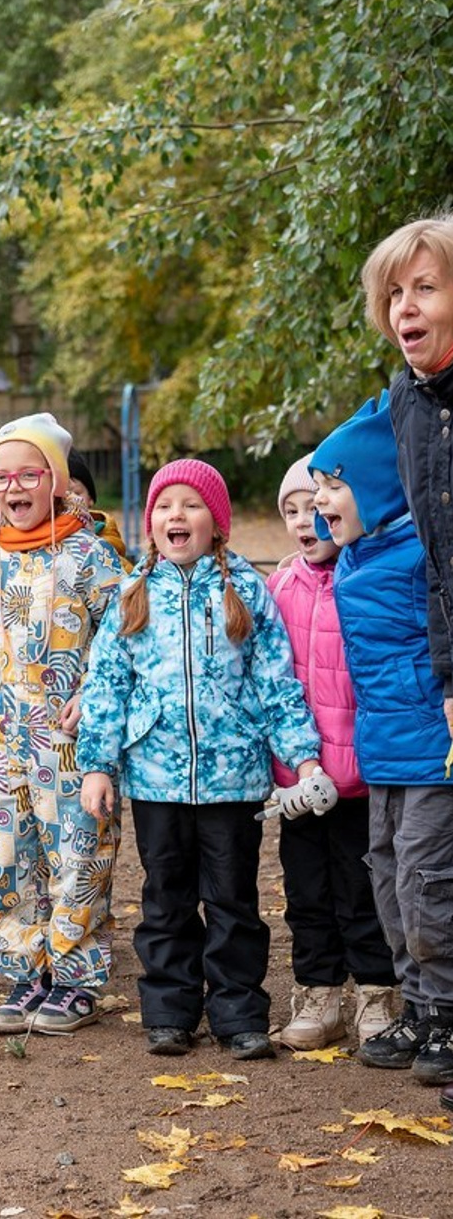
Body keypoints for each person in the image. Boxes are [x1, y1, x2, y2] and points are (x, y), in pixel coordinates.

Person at [78, 459, 326, 1060]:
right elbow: (108, 683)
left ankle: (239, 1013)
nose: (176, 516)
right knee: (165, 899)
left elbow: (276, 683)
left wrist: (304, 757)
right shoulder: (133, 593)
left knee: (234, 901)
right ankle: (170, 1010)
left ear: (217, 523)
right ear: (150, 522)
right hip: (157, 779)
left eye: (191, 506)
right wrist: (97, 763)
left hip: (234, 778)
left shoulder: (246, 590)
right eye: (165, 506)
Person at [0, 415, 125, 1035]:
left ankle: (76, 979)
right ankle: (27, 970)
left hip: (70, 745)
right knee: (7, 859)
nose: (13, 487)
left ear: (55, 480)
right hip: (2, 741)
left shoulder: (91, 556)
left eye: (28, 473)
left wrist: (97, 695)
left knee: (77, 856)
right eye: (1, 476)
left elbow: (120, 642)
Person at [309, 395, 453, 1086]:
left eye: (333, 486)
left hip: (434, 753)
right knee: (390, 880)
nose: (321, 502)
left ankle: (448, 1012)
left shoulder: (424, 556)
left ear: (378, 487)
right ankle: (421, 1007)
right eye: (316, 490)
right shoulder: (354, 559)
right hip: (384, 754)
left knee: (429, 884)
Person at [266, 455, 397, 1049]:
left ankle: (376, 994)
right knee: (307, 892)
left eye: (312, 507)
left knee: (364, 889)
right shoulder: (278, 588)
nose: (302, 520)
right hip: (301, 781)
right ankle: (318, 994)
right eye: (290, 510)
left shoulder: (367, 577)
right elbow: (268, 681)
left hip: (362, 776)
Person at [363, 218, 453, 729]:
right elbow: (439, 556)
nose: (405, 306)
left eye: (426, 287)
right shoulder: (405, 398)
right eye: (395, 292)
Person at [66, 449, 133, 571]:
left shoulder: (107, 541)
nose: (70, 501)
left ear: (90, 498)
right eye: (61, 495)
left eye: (76, 493)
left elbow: (128, 580)